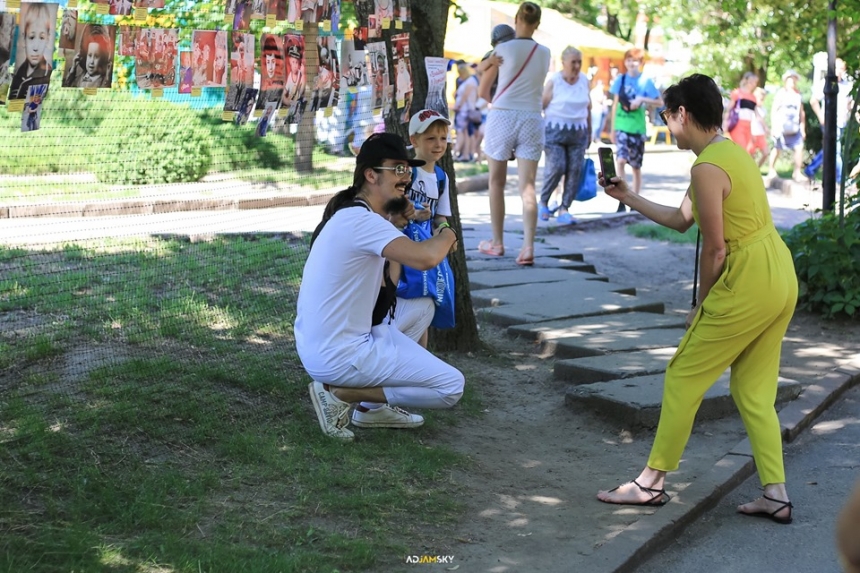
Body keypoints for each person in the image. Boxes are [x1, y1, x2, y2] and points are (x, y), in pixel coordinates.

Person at [595, 73, 798, 526]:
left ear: (683, 114)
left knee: (683, 375)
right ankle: (776, 493)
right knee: (752, 392)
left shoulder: (706, 167)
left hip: (748, 279)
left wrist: (702, 305)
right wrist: (627, 195)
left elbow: (716, 248)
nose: (668, 126)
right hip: (779, 275)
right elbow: (683, 219)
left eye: (667, 116)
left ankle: (650, 483)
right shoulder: (726, 154)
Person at [296, 133, 464, 441]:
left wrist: (394, 221)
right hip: (339, 354)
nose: (406, 176)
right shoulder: (361, 221)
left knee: (423, 305)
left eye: (408, 169)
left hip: (329, 345)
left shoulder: (361, 217)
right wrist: (448, 232)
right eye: (397, 169)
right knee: (451, 387)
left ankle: (371, 410)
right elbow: (427, 258)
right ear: (371, 174)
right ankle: (342, 393)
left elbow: (387, 299)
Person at [477, 1, 551, 266]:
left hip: (503, 115)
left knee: (496, 182)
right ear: (537, 24)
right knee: (528, 186)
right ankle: (528, 247)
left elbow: (482, 89)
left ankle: (497, 243)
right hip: (532, 117)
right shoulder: (545, 53)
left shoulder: (501, 49)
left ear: (516, 18)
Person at [394, 109, 456, 347]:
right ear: (414, 140)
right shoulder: (406, 170)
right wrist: (412, 213)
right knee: (404, 302)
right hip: (402, 250)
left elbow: (441, 217)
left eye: (443, 138)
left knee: (426, 302)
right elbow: (389, 206)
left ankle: (421, 361)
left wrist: (446, 234)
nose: (438, 144)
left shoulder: (441, 177)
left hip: (425, 252)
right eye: (430, 138)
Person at [538, 46, 592, 226]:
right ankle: (544, 202)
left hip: (579, 133)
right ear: (564, 63)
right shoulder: (554, 81)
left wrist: (590, 132)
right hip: (555, 132)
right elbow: (541, 106)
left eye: (579, 62)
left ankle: (564, 208)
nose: (576, 66)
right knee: (557, 167)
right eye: (573, 62)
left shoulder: (584, 80)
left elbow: (588, 108)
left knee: (574, 170)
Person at [608, 48, 662, 212]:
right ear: (625, 62)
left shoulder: (645, 81)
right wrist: (612, 128)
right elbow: (615, 104)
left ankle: (635, 200)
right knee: (621, 160)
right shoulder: (620, 80)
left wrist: (642, 99)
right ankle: (622, 199)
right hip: (622, 126)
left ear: (641, 63)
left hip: (637, 128)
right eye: (629, 60)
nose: (632, 63)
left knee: (636, 166)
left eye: (635, 61)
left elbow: (659, 102)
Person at [810, 58, 854, 183]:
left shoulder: (847, 85)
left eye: (841, 69)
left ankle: (810, 169)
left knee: (830, 149)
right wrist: (821, 117)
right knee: (835, 150)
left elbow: (849, 104)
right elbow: (813, 101)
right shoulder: (825, 83)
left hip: (841, 122)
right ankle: (840, 179)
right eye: (837, 68)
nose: (839, 71)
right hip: (829, 122)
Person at [9, 3, 54, 101]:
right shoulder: (17, 73)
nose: (36, 47)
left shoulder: (46, 75)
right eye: (31, 37)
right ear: (24, 38)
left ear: (48, 39)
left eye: (41, 38)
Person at [767, 69, 806, 181]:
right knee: (777, 148)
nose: (792, 81)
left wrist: (802, 128)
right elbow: (774, 110)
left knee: (799, 147)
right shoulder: (781, 93)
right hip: (781, 127)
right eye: (790, 79)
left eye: (794, 79)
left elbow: (801, 113)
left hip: (794, 127)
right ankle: (771, 170)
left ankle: (797, 172)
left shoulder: (798, 95)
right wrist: (774, 126)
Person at [725, 71, 759, 157]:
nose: (753, 84)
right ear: (746, 80)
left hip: (748, 127)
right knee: (743, 150)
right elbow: (729, 109)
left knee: (749, 151)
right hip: (737, 125)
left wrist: (765, 127)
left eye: (755, 82)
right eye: (751, 81)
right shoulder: (737, 93)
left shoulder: (753, 97)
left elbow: (756, 114)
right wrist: (725, 123)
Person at [452, 61, 480, 162]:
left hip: (463, 111)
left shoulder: (469, 82)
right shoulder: (471, 81)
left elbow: (464, 96)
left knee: (461, 133)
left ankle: (456, 153)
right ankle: (466, 154)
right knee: (467, 134)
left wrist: (458, 105)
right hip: (467, 110)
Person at [748, 87, 770, 168]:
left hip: (760, 134)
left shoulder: (763, 109)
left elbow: (762, 120)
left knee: (766, 153)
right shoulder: (750, 108)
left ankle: (757, 169)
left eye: (763, 99)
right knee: (751, 156)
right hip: (752, 133)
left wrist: (765, 130)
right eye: (760, 99)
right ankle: (751, 172)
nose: (761, 101)